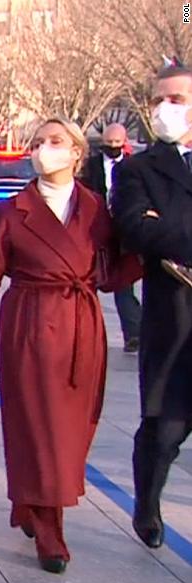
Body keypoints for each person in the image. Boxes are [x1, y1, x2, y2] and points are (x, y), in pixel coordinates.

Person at [0, 118, 141, 574]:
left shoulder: (97, 209)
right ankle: (50, 528)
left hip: (82, 324)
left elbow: (113, 272)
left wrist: (150, 253)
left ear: (77, 152)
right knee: (39, 426)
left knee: (75, 427)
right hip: (31, 324)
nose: (44, 150)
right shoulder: (11, 211)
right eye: (38, 143)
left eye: (55, 142)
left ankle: (29, 501)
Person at [111, 63, 192, 550]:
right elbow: (137, 230)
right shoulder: (138, 169)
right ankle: (147, 504)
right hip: (174, 314)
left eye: (178, 99)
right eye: (160, 98)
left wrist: (174, 235)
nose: (165, 108)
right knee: (165, 428)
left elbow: (165, 231)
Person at [81, 122, 142, 353]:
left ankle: (134, 334)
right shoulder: (91, 166)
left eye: (117, 143)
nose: (113, 147)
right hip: (93, 230)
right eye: (109, 144)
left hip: (122, 233)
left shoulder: (134, 167)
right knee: (88, 282)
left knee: (123, 286)